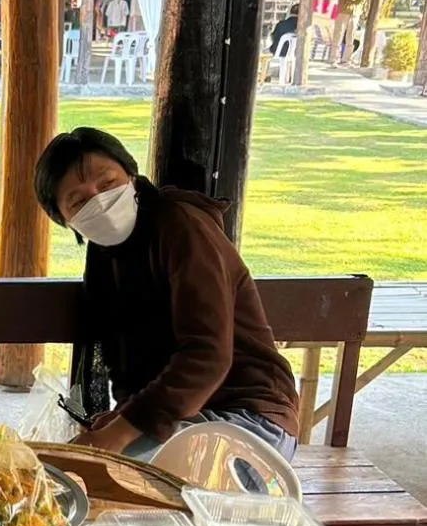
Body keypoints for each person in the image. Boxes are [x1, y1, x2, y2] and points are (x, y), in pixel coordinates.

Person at [33, 126, 299, 462]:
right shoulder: (103, 255)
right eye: (79, 200)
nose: (98, 200)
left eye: (107, 182)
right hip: (180, 423)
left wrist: (122, 431)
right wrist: (121, 417)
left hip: (249, 421)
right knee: (78, 473)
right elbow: (122, 360)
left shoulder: (180, 227)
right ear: (65, 220)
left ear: (131, 175)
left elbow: (208, 355)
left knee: (105, 479)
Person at [332, 0, 367, 66]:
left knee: (350, 38)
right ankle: (334, 58)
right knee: (338, 35)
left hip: (355, 14)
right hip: (343, 12)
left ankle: (346, 59)